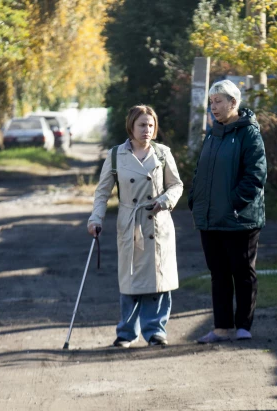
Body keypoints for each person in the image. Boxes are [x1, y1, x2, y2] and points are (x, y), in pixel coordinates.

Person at [88, 105, 183, 347]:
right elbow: (102, 193)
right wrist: (96, 219)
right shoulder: (115, 155)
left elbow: (176, 185)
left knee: (158, 279)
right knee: (130, 278)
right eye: (142, 125)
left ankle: (156, 331)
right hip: (130, 222)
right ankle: (127, 332)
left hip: (157, 222)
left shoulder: (162, 153)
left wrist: (165, 200)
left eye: (151, 125)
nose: (147, 130)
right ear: (131, 126)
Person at [188, 80, 267, 344]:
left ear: (233, 103)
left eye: (218, 101)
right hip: (210, 218)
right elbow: (202, 171)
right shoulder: (213, 133)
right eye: (211, 102)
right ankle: (221, 328)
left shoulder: (249, 133)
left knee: (242, 272)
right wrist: (195, 198)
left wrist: (234, 203)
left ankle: (243, 325)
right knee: (218, 274)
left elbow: (255, 175)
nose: (214, 107)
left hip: (239, 218)